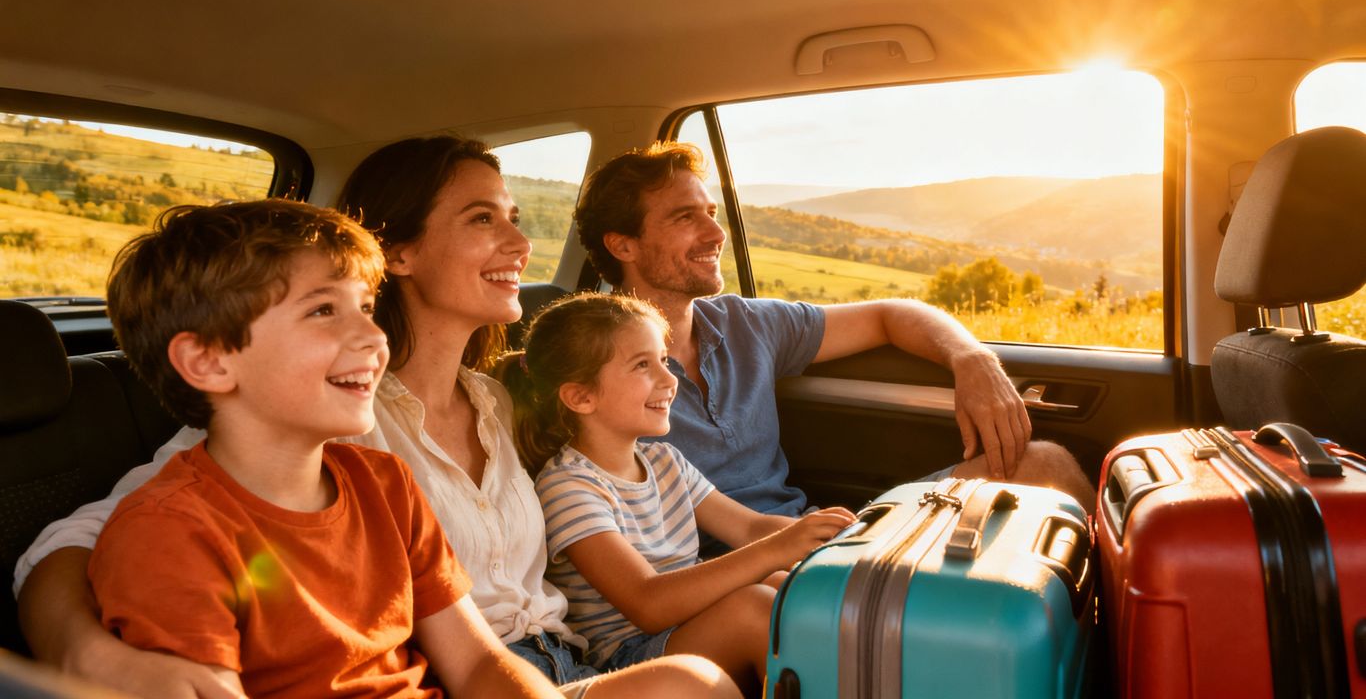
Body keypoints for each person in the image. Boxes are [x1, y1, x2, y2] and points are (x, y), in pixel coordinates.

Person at [14, 138, 737, 699]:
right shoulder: (303, 423)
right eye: (484, 219)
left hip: (548, 659)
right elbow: (86, 540)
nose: (522, 247)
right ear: (401, 252)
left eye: (516, 219)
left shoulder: (493, 404)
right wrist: (86, 654)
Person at [87, 198, 557, 697]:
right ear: (208, 363)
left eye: (367, 308)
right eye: (323, 310)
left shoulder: (386, 482)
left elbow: (479, 664)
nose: (374, 337)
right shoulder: (169, 534)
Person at [574, 141, 1097, 522]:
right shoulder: (583, 366)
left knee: (1044, 464)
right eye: (687, 217)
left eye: (712, 213)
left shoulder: (745, 324)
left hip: (817, 536)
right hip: (723, 577)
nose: (716, 233)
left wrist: (971, 358)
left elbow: (890, 314)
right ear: (623, 245)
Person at [499, 292, 855, 695]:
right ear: (581, 397)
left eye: (664, 361)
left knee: (783, 584)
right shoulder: (568, 487)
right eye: (642, 366)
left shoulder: (664, 460)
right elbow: (648, 604)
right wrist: (777, 547)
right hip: (630, 656)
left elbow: (752, 528)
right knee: (755, 608)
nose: (669, 380)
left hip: (687, 627)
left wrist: (834, 539)